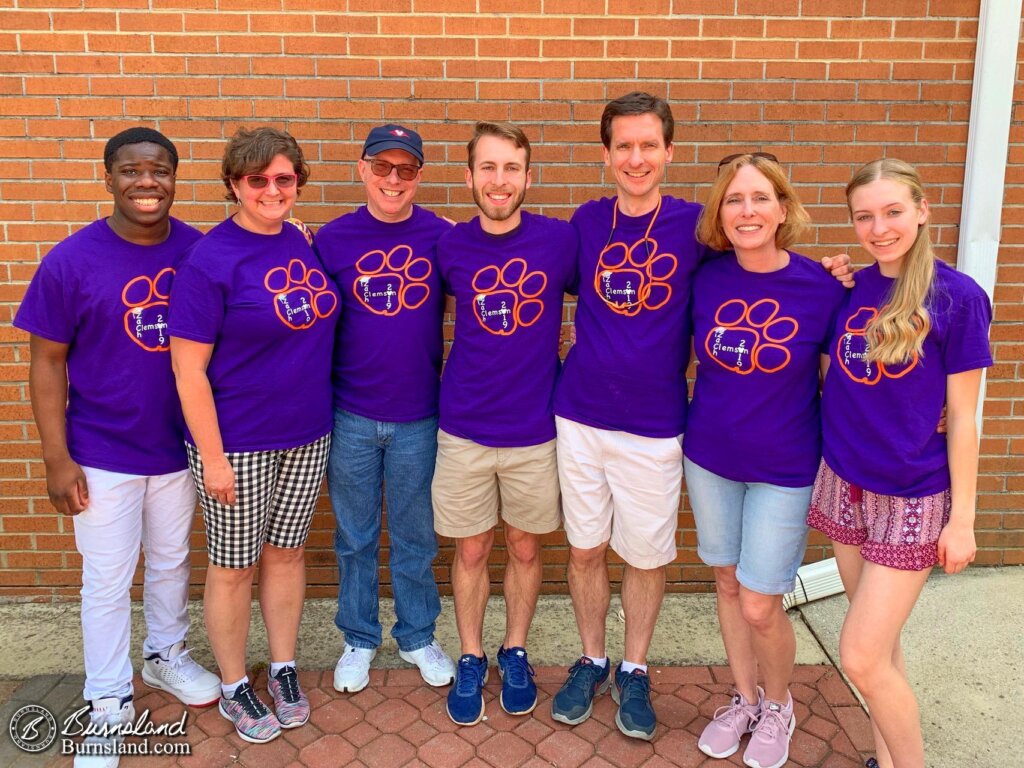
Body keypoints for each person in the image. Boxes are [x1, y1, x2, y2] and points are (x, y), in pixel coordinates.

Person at [550, 92, 853, 742]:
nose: (636, 158)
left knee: (648, 557)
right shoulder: (584, 222)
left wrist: (832, 274)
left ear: (669, 152)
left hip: (660, 427)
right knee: (583, 550)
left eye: (648, 145)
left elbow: (768, 270)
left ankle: (634, 666)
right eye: (623, 146)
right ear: (606, 155)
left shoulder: (695, 233)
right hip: (579, 417)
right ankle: (592, 657)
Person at [14, 127, 220, 767]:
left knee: (169, 563)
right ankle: (106, 702)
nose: (147, 182)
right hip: (101, 452)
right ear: (108, 178)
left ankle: (164, 656)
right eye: (131, 171)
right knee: (105, 582)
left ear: (175, 177)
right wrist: (55, 456)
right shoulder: (71, 261)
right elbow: (47, 362)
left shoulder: (201, 250)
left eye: (159, 170)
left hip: (178, 448)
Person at [807, 159, 992, 768]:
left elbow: (964, 417)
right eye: (864, 216)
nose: (879, 227)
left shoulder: (958, 298)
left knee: (858, 655)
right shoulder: (851, 289)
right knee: (879, 650)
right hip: (845, 482)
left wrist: (961, 520)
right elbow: (834, 375)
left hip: (911, 497)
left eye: (892, 212)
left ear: (921, 210)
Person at [168, 127, 339, 745]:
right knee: (233, 567)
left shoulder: (302, 242)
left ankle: (285, 667)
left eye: (284, 178)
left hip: (307, 433)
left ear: (298, 183)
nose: (271, 189)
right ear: (234, 184)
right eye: (256, 179)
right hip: (235, 442)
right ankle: (237, 681)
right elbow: (187, 371)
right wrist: (212, 458)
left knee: (287, 553)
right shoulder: (211, 259)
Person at [686, 154, 845, 768]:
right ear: (720, 215)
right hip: (710, 458)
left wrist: (932, 409)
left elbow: (855, 374)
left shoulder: (824, 287)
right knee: (727, 584)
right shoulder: (706, 277)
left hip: (786, 466)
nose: (746, 211)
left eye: (759, 198)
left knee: (761, 600)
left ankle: (780, 705)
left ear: (783, 208)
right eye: (733, 200)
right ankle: (744, 698)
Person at [434, 122, 577, 726]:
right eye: (487, 168)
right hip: (463, 425)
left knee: (523, 546)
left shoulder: (559, 241)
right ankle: (471, 654)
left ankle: (513, 649)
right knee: (470, 550)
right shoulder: (450, 246)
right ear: (469, 177)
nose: (499, 181)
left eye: (511, 168)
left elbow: (615, 299)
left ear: (527, 175)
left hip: (534, 429)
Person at [316, 124, 455, 693]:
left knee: (416, 533)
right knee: (354, 535)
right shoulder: (331, 239)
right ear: (362, 169)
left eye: (406, 169)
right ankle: (359, 636)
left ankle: (418, 634)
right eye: (382, 167)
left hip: (419, 414)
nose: (392, 179)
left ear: (419, 176)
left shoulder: (443, 238)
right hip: (348, 412)